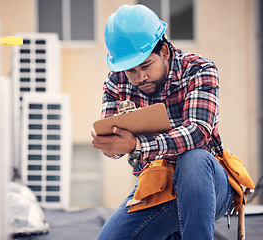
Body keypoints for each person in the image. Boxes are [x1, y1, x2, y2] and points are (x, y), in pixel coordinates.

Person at [91, 4, 234, 240]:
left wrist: (137, 144)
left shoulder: (199, 70)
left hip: (206, 187)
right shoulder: (116, 82)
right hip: (156, 188)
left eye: (146, 66)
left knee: (194, 158)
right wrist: (109, 144)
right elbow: (115, 150)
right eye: (131, 71)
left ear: (165, 52)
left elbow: (198, 132)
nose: (140, 78)